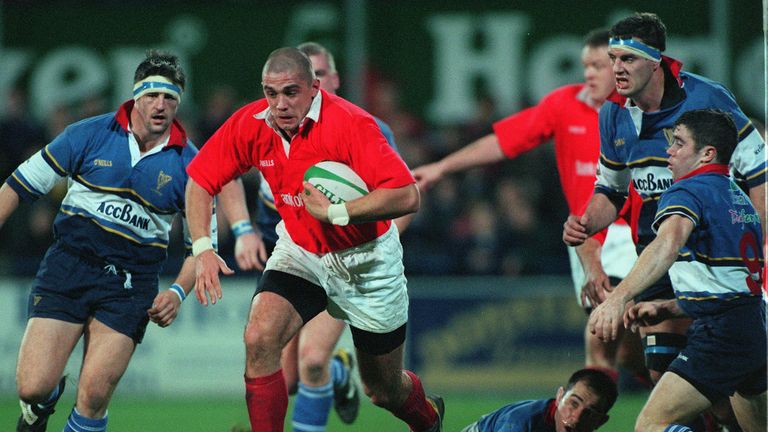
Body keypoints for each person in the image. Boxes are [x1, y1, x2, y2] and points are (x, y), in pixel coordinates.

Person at [185, 47, 443, 432]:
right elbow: (201, 180)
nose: (280, 104)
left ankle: (428, 419)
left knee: (383, 390)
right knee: (259, 337)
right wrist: (204, 247)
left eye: (291, 92)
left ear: (314, 89)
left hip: (366, 260)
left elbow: (408, 195)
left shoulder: (352, 124)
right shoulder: (252, 123)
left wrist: (338, 213)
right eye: (271, 93)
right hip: (301, 251)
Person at [4, 50, 235, 432]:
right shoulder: (87, 134)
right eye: (152, 95)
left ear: (179, 102)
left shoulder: (192, 167)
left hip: (130, 284)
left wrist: (177, 292)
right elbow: (16, 186)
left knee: (94, 396)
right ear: (135, 95)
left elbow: (202, 247)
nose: (160, 105)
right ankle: (38, 407)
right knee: (32, 386)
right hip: (69, 266)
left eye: (170, 98)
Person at [412, 29, 646, 386]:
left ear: (620, 68)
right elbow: (504, 142)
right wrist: (442, 168)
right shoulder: (563, 105)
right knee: (622, 350)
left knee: (612, 340)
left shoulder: (640, 112)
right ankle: (695, 405)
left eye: (598, 66)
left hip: (628, 233)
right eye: (586, 65)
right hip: (583, 237)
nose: (589, 74)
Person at [563, 12, 766, 387]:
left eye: (628, 59)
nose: (617, 69)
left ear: (656, 61)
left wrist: (757, 239)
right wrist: (586, 222)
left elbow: (759, 171)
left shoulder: (708, 98)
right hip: (655, 247)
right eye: (613, 59)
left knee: (725, 378)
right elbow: (612, 190)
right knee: (663, 371)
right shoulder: (613, 113)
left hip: (712, 248)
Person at [588, 109, 765, 431]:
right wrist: (667, 306)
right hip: (753, 327)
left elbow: (666, 245)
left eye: (679, 143)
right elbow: (728, 288)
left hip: (722, 335)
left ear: (707, 154)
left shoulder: (688, 191)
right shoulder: (739, 200)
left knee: (652, 425)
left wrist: (619, 297)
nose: (668, 150)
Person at [462, 368, 618, 432]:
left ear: (600, 422)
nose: (576, 418)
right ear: (559, 396)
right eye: (573, 403)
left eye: (589, 413)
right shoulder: (519, 423)